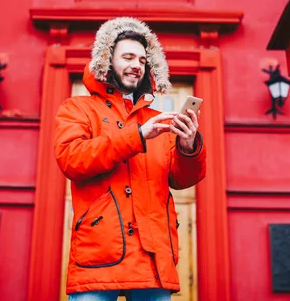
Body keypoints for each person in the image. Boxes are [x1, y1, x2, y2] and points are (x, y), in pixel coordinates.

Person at [54, 17, 207, 301]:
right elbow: (72, 159)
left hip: (153, 257)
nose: (136, 64)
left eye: (142, 59)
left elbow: (183, 179)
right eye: (127, 57)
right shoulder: (76, 108)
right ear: (106, 60)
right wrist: (137, 136)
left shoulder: (157, 121)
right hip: (100, 254)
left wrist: (188, 146)